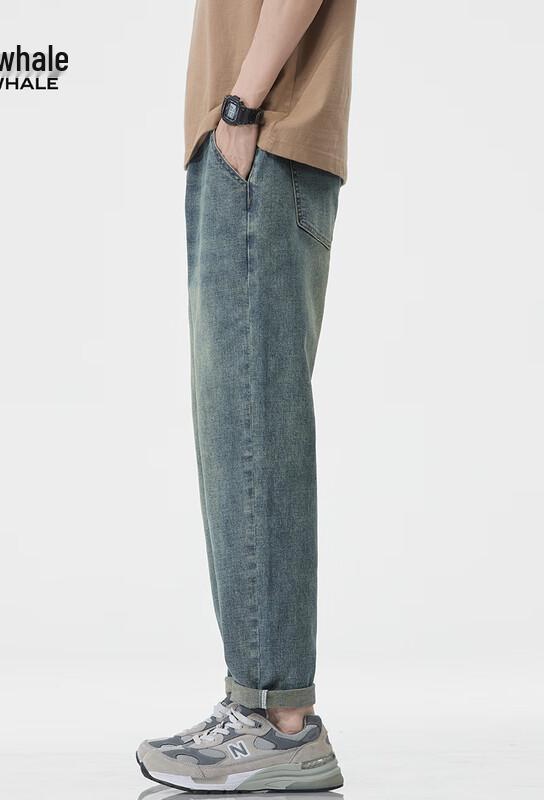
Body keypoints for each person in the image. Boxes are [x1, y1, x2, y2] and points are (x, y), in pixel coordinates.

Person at [137, 0, 356, 792]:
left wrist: (241, 104)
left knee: (252, 426)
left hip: (260, 137)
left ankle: (276, 719)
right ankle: (258, 706)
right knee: (242, 426)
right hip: (251, 143)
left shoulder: (250, 122)